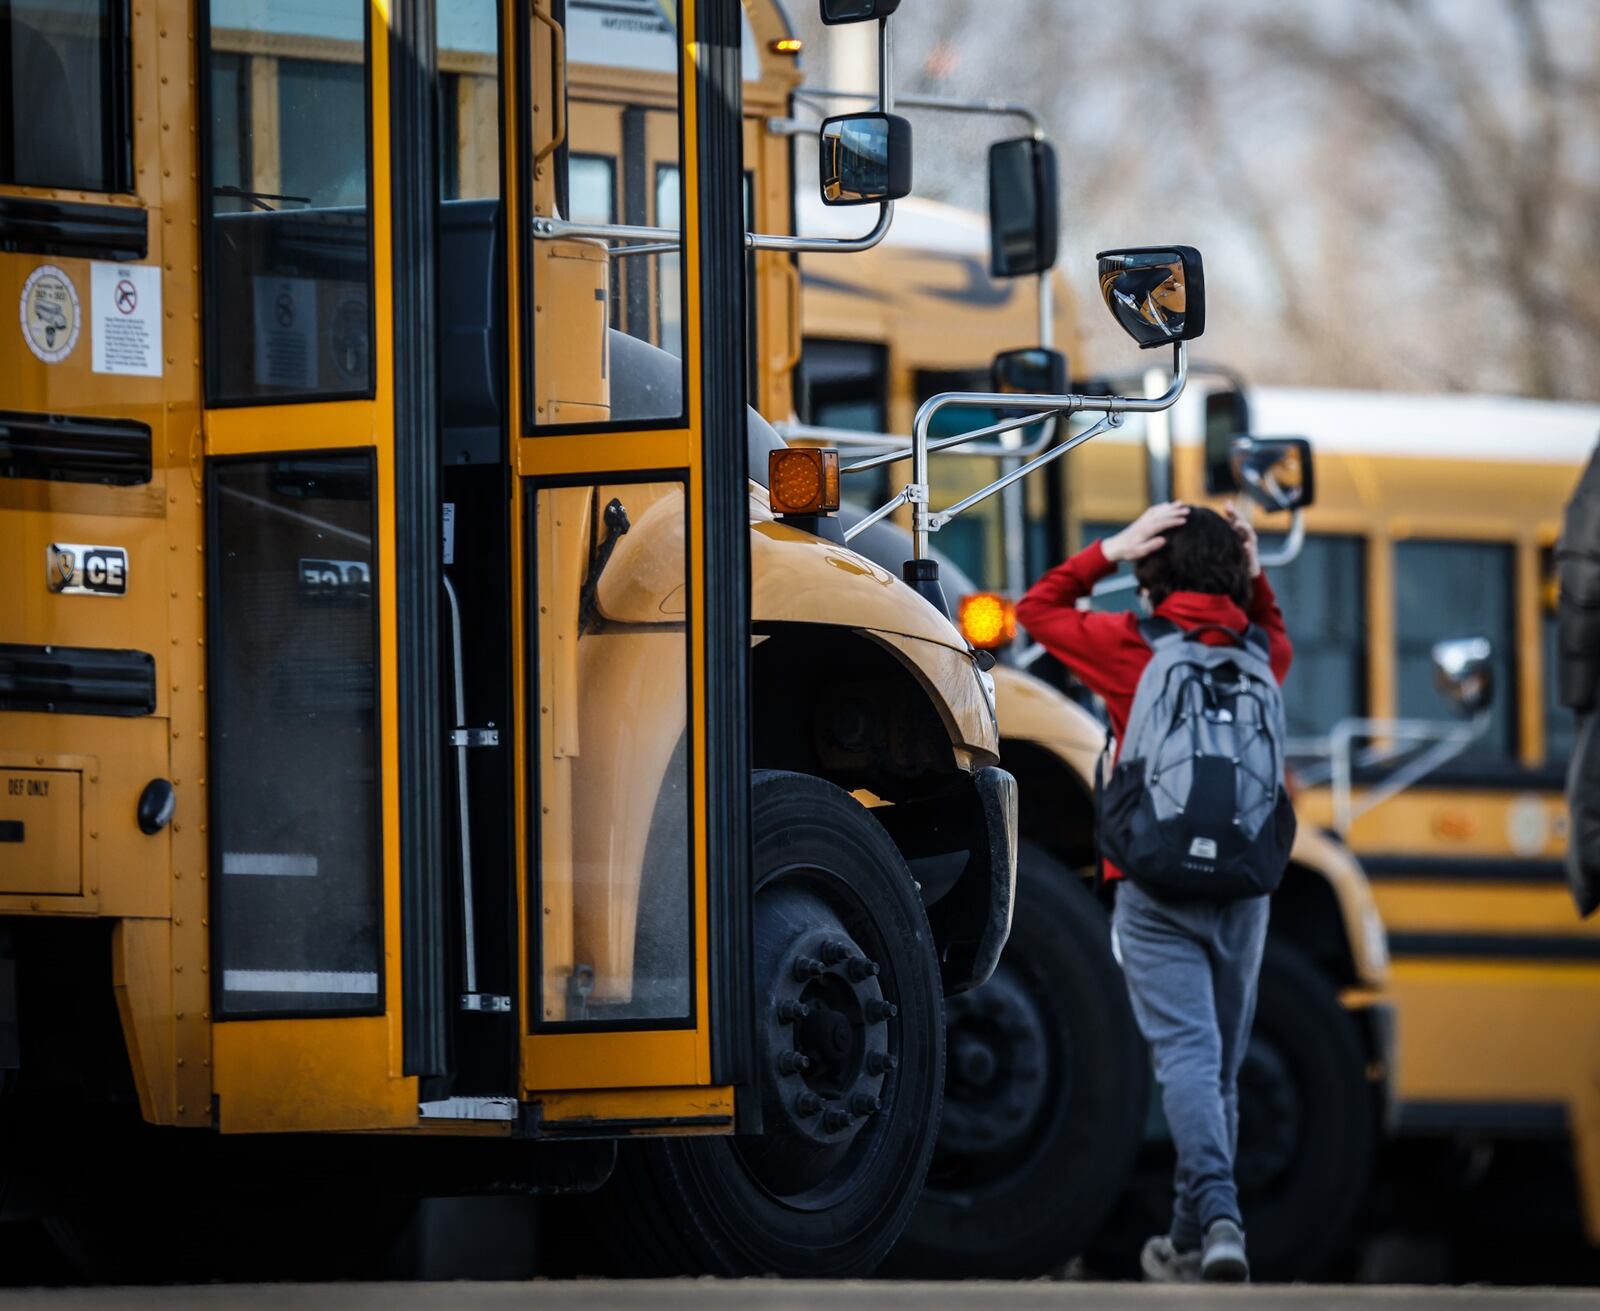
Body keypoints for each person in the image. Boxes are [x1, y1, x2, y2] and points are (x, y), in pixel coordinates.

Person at [1016, 502, 1293, 1284]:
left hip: (1153, 881)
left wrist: (1111, 547)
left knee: (1188, 1059)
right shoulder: (1259, 652)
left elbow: (1036, 610)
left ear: (1152, 573)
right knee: (1216, 1071)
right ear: (1235, 573)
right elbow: (1282, 638)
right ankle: (1195, 1238)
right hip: (1245, 886)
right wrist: (1256, 574)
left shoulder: (1132, 645)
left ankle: (1218, 1216)